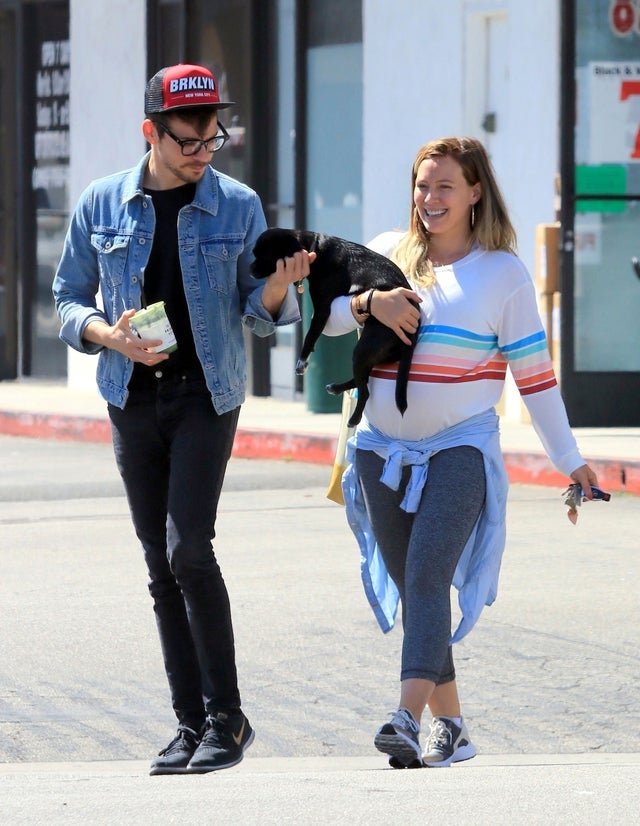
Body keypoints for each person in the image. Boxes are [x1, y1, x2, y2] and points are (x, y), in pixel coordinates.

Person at [52, 63, 314, 775]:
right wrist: (108, 336)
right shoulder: (102, 203)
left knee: (187, 549)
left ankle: (228, 719)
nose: (204, 151)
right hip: (131, 396)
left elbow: (258, 315)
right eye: (189, 140)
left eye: (212, 139)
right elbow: (67, 297)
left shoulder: (238, 205)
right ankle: (189, 722)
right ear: (152, 132)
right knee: (158, 564)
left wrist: (278, 292)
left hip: (206, 395)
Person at [323, 136, 598, 769]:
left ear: (476, 191)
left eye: (445, 186)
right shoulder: (390, 251)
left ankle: (404, 716)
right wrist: (369, 302)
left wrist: (569, 458)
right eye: (423, 184)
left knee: (425, 575)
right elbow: (332, 315)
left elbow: (534, 376)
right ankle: (454, 726)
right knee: (415, 586)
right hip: (378, 448)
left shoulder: (501, 274)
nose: (430, 198)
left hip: (460, 448)